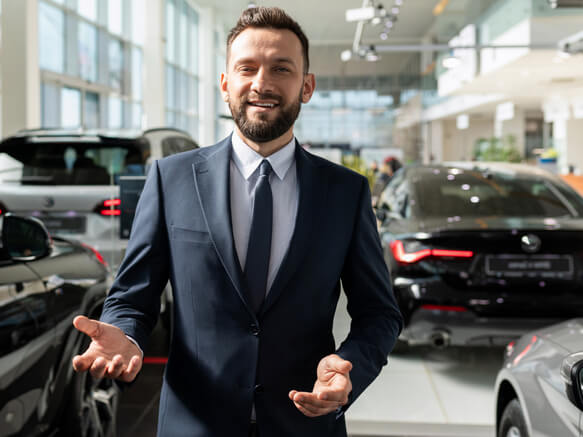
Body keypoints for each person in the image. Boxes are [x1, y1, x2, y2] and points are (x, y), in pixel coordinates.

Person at [71, 6, 402, 436]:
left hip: (303, 425)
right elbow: (133, 296)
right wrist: (125, 335)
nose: (261, 83)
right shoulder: (171, 179)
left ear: (307, 86)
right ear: (226, 84)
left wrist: (350, 368)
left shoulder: (345, 191)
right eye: (247, 68)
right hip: (194, 423)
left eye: (281, 69)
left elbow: (379, 314)